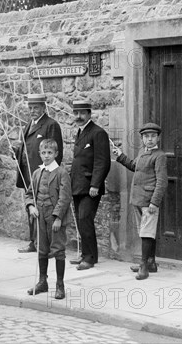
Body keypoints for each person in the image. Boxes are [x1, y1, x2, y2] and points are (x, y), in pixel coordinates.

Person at [113, 123, 168, 280]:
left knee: (146, 233)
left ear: (158, 137)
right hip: (138, 199)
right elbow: (133, 165)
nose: (149, 139)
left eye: (152, 136)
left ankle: (144, 266)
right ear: (142, 139)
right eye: (146, 137)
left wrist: (154, 202)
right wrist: (120, 155)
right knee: (144, 232)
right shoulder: (143, 153)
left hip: (149, 201)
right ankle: (151, 262)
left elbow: (162, 181)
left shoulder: (160, 156)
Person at [16, 94, 63, 253]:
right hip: (28, 173)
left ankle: (47, 244)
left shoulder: (51, 125)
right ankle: (33, 241)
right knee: (31, 206)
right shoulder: (29, 124)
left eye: (36, 107)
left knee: (45, 209)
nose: (32, 111)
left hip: (43, 175)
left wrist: (51, 174)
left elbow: (57, 152)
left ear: (43, 107)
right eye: (30, 108)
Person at [25, 139, 72, 299]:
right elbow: (30, 193)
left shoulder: (61, 173)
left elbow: (65, 198)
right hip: (40, 216)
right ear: (39, 154)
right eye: (43, 153)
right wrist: (31, 206)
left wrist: (58, 217)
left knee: (58, 249)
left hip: (54, 216)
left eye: (50, 153)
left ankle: (60, 285)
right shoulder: (37, 173)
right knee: (41, 249)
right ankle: (42, 281)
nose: (46, 156)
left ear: (56, 154)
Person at [70, 100, 111, 271]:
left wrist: (95, 184)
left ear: (89, 114)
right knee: (81, 221)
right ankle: (85, 253)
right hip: (78, 185)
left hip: (90, 187)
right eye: (76, 113)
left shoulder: (98, 133)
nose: (78, 117)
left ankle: (90, 257)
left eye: (82, 113)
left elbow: (103, 162)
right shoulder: (81, 132)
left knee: (85, 218)